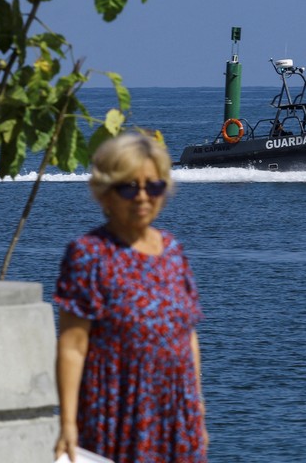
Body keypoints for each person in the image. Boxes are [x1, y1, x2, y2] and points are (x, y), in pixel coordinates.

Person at [54, 132, 207, 463]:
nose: (142, 197)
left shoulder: (173, 251)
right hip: (115, 412)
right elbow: (72, 346)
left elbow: (188, 336)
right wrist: (67, 424)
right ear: (105, 194)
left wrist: (198, 411)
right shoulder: (88, 254)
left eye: (153, 186)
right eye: (128, 187)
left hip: (176, 414)